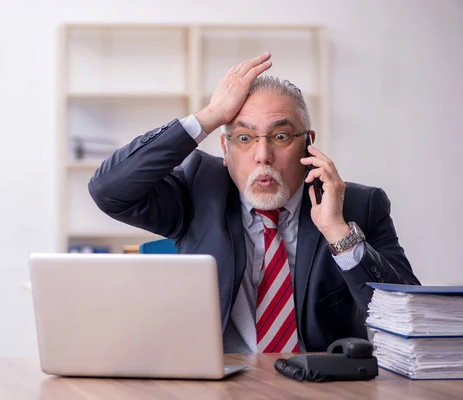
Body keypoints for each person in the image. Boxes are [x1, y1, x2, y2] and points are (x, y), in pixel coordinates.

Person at [88, 53, 421, 353]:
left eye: (280, 137)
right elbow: (108, 189)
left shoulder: (359, 206)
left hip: (320, 387)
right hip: (219, 384)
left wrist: (338, 232)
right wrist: (210, 115)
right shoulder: (199, 189)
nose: (263, 156)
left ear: (308, 145)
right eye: (245, 138)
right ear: (225, 148)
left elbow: (410, 318)